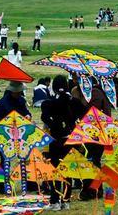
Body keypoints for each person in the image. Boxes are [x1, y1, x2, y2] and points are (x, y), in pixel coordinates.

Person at [41, 75, 78, 210]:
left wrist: (52, 125)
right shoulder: (72, 102)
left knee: (55, 170)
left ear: (54, 87)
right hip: (69, 139)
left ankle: (55, 201)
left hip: (55, 141)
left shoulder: (49, 103)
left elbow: (44, 117)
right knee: (67, 170)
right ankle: (66, 201)